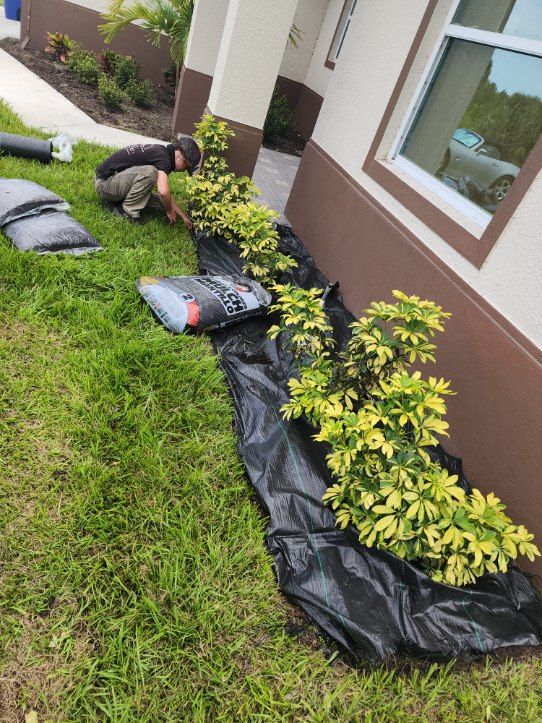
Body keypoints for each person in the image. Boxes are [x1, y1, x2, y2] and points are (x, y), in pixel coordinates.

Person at [94, 137, 201, 229]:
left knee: (163, 203)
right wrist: (169, 211)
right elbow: (163, 191)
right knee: (150, 173)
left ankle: (116, 202)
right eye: (186, 167)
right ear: (179, 156)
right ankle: (126, 212)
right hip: (104, 185)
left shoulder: (161, 152)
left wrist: (181, 214)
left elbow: (165, 195)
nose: (183, 171)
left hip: (113, 182)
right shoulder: (164, 160)